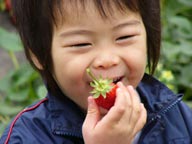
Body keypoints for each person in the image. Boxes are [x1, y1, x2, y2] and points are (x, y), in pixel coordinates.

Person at [1, 0, 192, 143]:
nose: (107, 60)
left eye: (124, 36)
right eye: (81, 43)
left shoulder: (177, 117)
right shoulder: (27, 137)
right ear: (38, 55)